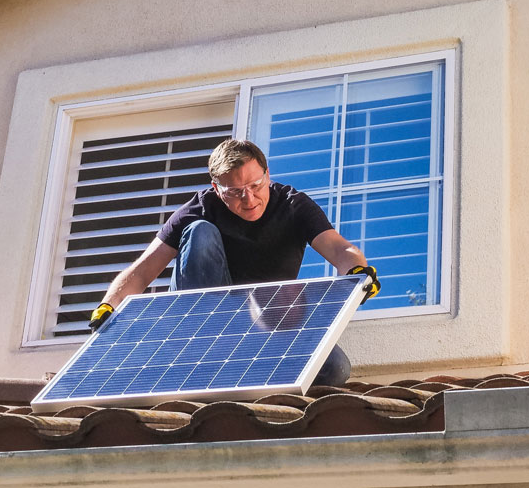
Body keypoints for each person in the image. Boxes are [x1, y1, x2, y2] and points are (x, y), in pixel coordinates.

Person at [87, 138, 380, 386]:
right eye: (235, 192)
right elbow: (141, 272)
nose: (249, 199)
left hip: (265, 325)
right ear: (217, 189)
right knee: (199, 231)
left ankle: (252, 372)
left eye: (256, 185)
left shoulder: (293, 205)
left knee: (335, 367)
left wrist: (357, 272)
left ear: (268, 174)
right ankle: (202, 348)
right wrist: (108, 306)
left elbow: (340, 249)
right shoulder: (198, 209)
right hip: (203, 321)